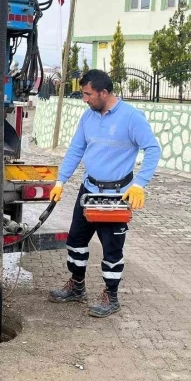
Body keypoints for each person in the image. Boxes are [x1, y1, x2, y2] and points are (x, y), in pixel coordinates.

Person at [48, 69, 161, 318]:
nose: (84, 99)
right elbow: (76, 150)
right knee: (76, 242)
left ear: (104, 92)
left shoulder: (132, 118)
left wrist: (140, 184)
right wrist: (60, 181)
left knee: (112, 249)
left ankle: (111, 296)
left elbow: (153, 149)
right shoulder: (88, 118)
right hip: (88, 190)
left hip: (117, 196)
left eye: (88, 94)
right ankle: (77, 286)